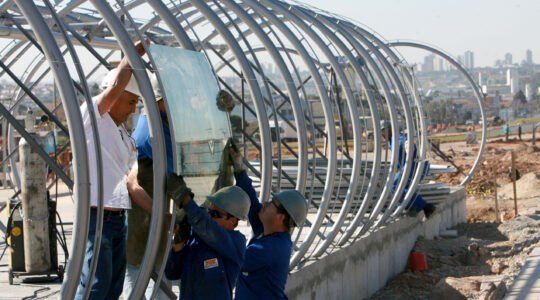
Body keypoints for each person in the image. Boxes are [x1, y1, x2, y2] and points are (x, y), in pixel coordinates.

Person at [76, 41, 154, 299]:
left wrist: (160, 213)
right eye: (131, 102)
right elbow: (116, 86)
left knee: (112, 288)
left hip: (117, 218)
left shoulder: (123, 135)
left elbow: (131, 183)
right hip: (95, 217)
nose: (134, 110)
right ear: (114, 95)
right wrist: (131, 56)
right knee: (94, 287)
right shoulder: (92, 116)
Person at [226, 141, 308, 300]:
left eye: (271, 204)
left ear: (281, 217)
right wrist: (239, 169)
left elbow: (235, 259)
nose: (265, 204)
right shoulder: (266, 231)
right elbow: (250, 200)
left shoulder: (272, 248)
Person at [164, 178, 250, 300]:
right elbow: (171, 273)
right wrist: (179, 243)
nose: (208, 216)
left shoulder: (236, 243)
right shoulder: (198, 238)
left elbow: (209, 229)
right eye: (209, 211)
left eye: (214, 214)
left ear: (232, 221)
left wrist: (186, 200)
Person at [380, 121, 435, 218]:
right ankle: (411, 208)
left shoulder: (398, 138)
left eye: (383, 132)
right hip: (409, 166)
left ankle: (426, 207)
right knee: (403, 188)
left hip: (412, 166)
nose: (382, 135)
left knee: (395, 186)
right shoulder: (391, 141)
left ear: (390, 130)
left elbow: (408, 145)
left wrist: (408, 146)